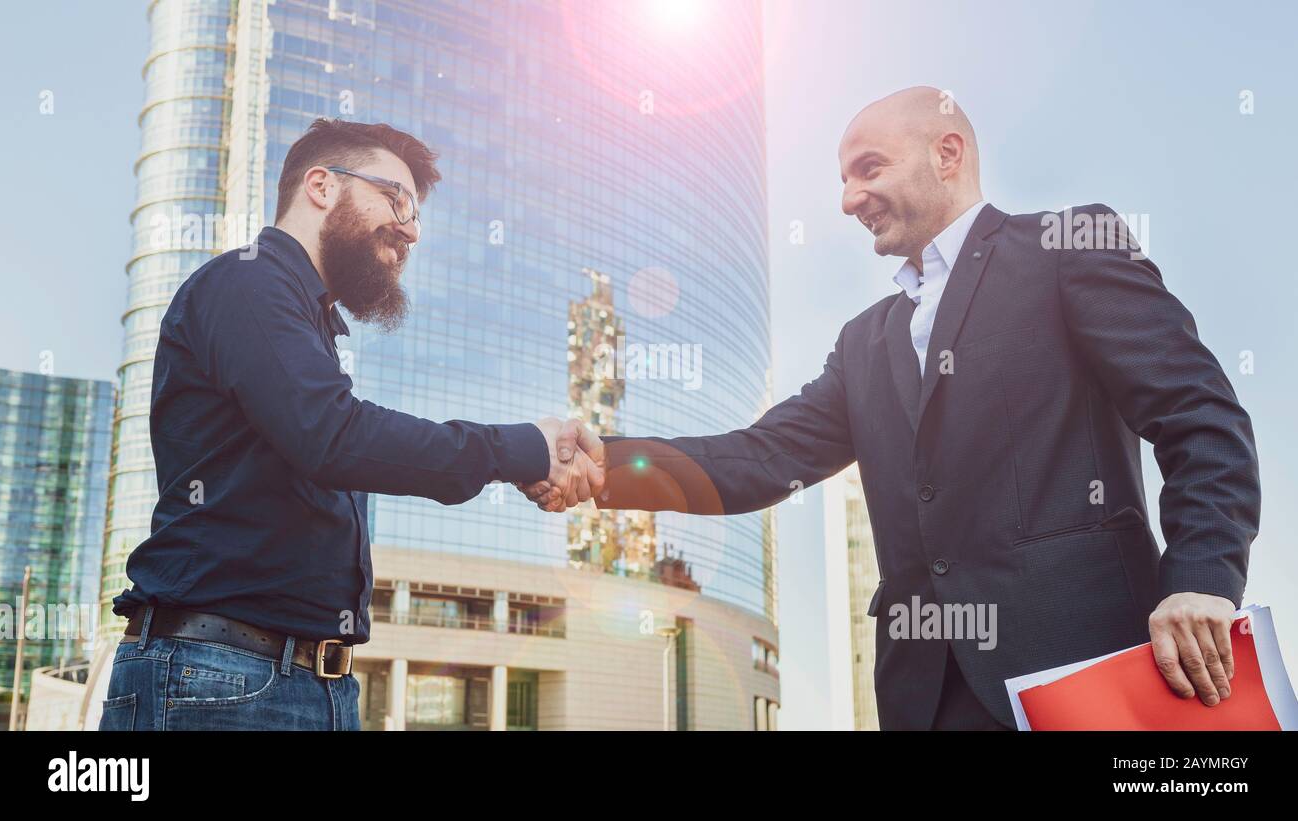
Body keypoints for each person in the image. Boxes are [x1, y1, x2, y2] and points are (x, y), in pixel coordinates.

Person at [520, 86, 1261, 730]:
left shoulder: (1066, 249)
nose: (847, 199)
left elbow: (1201, 418)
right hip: (925, 697)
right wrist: (602, 464)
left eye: (868, 169)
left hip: (1089, 670)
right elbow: (757, 459)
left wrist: (1201, 576)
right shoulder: (863, 343)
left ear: (948, 152)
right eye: (842, 180)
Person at [99, 118, 602, 731]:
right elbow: (333, 436)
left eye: (415, 212)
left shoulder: (304, 321)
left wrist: (530, 459)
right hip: (220, 679)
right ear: (322, 186)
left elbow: (338, 444)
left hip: (307, 682)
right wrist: (521, 449)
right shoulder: (249, 282)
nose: (412, 229)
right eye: (396, 198)